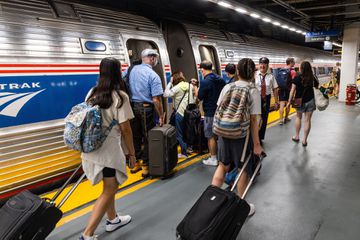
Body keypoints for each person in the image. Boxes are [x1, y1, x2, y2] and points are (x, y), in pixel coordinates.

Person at [80, 57, 136, 240]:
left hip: (91, 148)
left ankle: (112, 219)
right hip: (109, 152)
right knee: (110, 188)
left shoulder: (92, 93)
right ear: (118, 72)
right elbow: (126, 129)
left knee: (109, 185)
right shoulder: (120, 97)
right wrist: (132, 154)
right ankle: (87, 234)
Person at [211, 58, 263, 216]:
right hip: (241, 136)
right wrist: (256, 144)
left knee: (223, 165)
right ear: (253, 72)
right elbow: (254, 120)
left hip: (223, 133)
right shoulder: (253, 91)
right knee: (242, 170)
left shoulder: (228, 86)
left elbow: (218, 108)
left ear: (238, 72)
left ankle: (211, 199)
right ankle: (241, 206)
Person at [129, 49, 164, 178]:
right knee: (148, 137)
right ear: (152, 58)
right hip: (146, 108)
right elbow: (156, 99)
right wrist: (160, 115)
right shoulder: (153, 75)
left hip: (132, 107)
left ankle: (135, 163)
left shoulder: (130, 70)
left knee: (135, 137)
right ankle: (146, 166)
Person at [192, 60, 225, 166]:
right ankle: (223, 156)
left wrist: (195, 87)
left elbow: (199, 96)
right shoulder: (220, 79)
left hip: (210, 112)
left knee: (211, 136)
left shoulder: (205, 81)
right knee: (220, 135)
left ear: (202, 70)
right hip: (221, 111)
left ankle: (213, 158)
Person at [287, 61, 319, 146]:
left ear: (301, 68)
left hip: (299, 101)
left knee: (298, 117)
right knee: (307, 120)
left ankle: (297, 136)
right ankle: (304, 140)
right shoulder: (312, 77)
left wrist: (289, 102)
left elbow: (292, 91)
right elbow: (317, 87)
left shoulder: (297, 77)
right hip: (310, 100)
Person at [164, 71, 195, 158]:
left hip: (180, 113)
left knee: (179, 134)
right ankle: (189, 148)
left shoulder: (177, 87)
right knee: (187, 131)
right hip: (189, 113)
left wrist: (170, 83)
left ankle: (184, 153)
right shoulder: (190, 85)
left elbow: (165, 94)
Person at [255, 57, 279, 143]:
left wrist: (276, 102)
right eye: (261, 64)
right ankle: (255, 137)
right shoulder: (254, 75)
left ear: (267, 65)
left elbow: (275, 89)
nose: (262, 65)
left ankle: (260, 138)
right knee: (256, 119)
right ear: (259, 65)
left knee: (264, 119)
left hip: (266, 99)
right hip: (256, 99)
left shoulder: (271, 77)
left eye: (264, 64)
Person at [278, 58, 297, 125]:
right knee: (288, 104)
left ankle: (280, 120)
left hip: (281, 90)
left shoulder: (281, 69)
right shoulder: (293, 71)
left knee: (281, 105)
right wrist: (293, 92)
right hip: (288, 90)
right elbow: (294, 83)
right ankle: (286, 118)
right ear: (291, 62)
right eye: (294, 62)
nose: (294, 63)